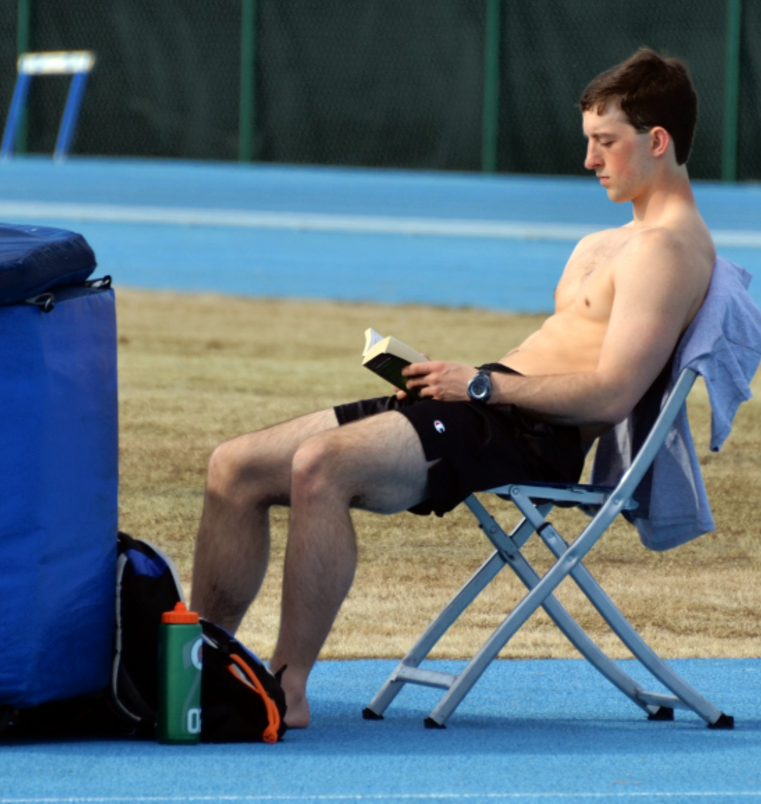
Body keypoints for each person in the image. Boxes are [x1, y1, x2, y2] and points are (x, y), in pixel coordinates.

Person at [190, 47, 717, 728]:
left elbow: (612, 393)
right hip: (485, 404)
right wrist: (465, 384)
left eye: (604, 143)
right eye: (588, 142)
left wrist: (477, 389)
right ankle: (196, 664)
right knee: (233, 466)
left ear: (657, 140)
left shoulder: (668, 250)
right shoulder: (605, 242)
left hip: (528, 433)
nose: (589, 161)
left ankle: (284, 687)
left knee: (320, 465)